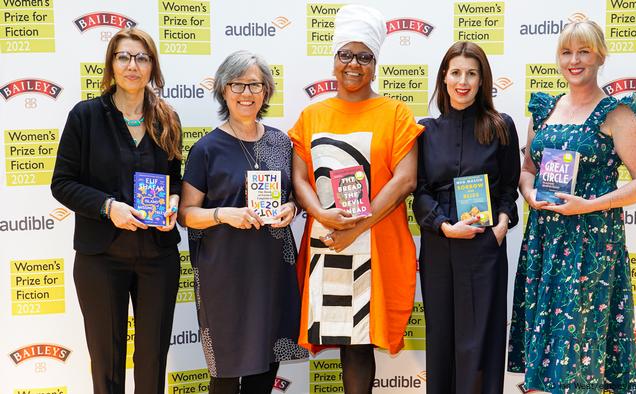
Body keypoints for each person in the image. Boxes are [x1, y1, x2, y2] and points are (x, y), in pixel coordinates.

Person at [507, 20, 636, 394]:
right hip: (544, 242)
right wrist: (529, 194)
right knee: (544, 356)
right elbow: (527, 170)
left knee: (580, 355)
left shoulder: (616, 113)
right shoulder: (543, 110)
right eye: (566, 52)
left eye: (583, 52)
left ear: (600, 56)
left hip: (590, 248)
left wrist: (589, 205)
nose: (574, 60)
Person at [289, 4, 423, 393]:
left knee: (361, 343)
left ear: (375, 64)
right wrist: (321, 215)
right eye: (346, 54)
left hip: (375, 242)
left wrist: (355, 229)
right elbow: (299, 176)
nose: (354, 64)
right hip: (326, 240)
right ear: (334, 60)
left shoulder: (396, 113)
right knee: (341, 339)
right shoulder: (312, 115)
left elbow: (406, 179)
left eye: (364, 57)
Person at [51, 28, 182, 393]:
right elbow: (62, 183)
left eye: (142, 57)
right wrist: (109, 207)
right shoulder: (86, 116)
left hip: (158, 256)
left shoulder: (167, 118)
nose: (132, 65)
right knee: (107, 362)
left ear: (152, 66)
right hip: (101, 257)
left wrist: (172, 201)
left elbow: (175, 177)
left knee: (153, 359)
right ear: (111, 64)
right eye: (123, 56)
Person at [178, 50, 308, 394]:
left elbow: (296, 195)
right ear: (224, 89)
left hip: (272, 271)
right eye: (238, 84)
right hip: (224, 273)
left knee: (265, 367)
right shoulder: (207, 149)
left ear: (266, 91)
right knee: (224, 371)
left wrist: (292, 209)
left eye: (255, 85)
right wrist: (223, 214)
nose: (246, 93)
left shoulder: (281, 142)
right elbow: (186, 213)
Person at [413, 41, 520, 394]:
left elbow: (508, 187)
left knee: (481, 342)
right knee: (441, 337)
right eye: (456, 72)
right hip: (439, 246)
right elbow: (421, 191)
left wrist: (501, 226)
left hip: (484, 248)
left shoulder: (501, 126)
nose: (464, 81)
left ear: (482, 80)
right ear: (444, 77)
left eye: (472, 74)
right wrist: (443, 226)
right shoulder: (425, 131)